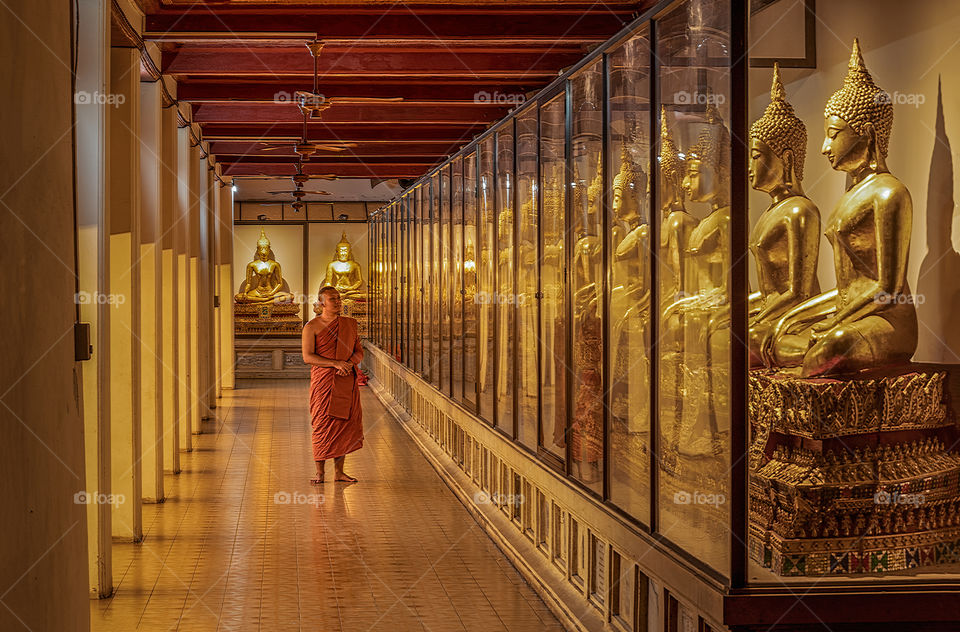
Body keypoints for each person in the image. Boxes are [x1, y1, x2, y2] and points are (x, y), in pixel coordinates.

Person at [301, 285, 363, 483]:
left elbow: (359, 352)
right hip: (324, 381)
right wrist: (335, 363)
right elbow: (308, 357)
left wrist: (348, 363)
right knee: (322, 423)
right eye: (332, 299)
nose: (337, 302)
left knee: (342, 425)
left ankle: (339, 472)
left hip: (346, 379)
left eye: (338, 298)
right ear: (321, 304)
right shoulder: (311, 327)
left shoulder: (350, 324)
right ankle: (320, 473)